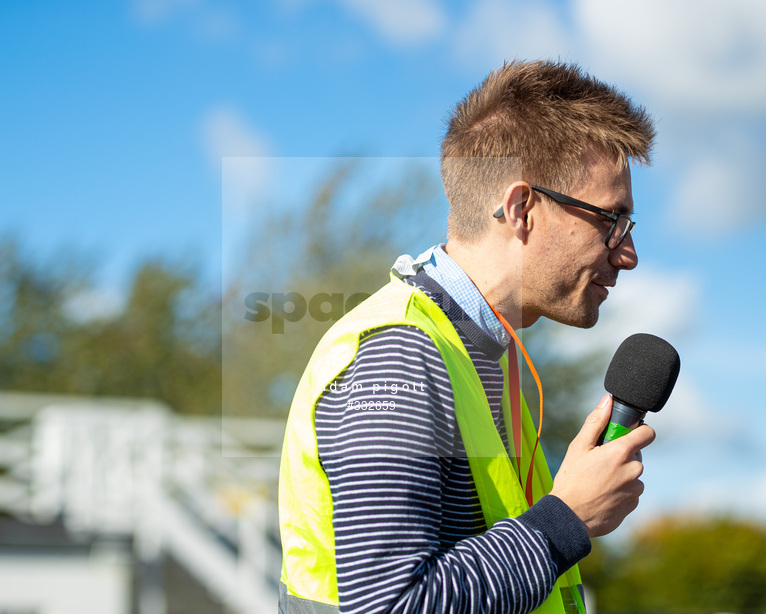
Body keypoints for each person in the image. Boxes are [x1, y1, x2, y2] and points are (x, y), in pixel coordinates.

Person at [278, 59, 657, 614]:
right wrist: (566, 519)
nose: (628, 253)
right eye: (610, 220)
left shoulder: (493, 356)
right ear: (522, 209)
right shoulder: (400, 354)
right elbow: (392, 605)